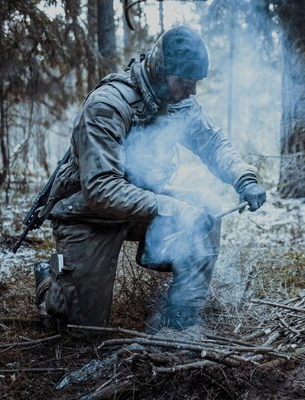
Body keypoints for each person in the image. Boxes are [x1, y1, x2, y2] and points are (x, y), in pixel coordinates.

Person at [33, 26, 266, 334]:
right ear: (160, 71)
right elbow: (101, 189)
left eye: (195, 83)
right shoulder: (107, 106)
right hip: (89, 215)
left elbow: (212, 144)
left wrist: (243, 177)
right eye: (184, 82)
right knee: (82, 331)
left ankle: (180, 314)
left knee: (206, 205)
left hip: (143, 201)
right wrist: (175, 210)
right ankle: (49, 282)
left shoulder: (178, 102)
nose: (192, 90)